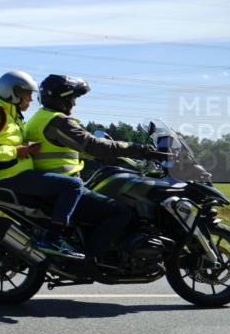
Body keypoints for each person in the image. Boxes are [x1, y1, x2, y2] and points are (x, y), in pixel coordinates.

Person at [25, 74, 166, 273]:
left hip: (50, 185)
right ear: (61, 97)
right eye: (71, 98)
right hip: (62, 186)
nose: (74, 103)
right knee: (120, 211)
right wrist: (139, 149)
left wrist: (102, 157)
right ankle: (92, 259)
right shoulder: (58, 121)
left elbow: (73, 148)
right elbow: (93, 144)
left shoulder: (38, 119)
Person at [0, 71, 86, 257]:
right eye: (27, 94)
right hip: (9, 177)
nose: (31, 99)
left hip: (19, 175)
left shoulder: (12, 115)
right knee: (73, 186)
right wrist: (19, 151)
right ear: (13, 92)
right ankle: (54, 239)